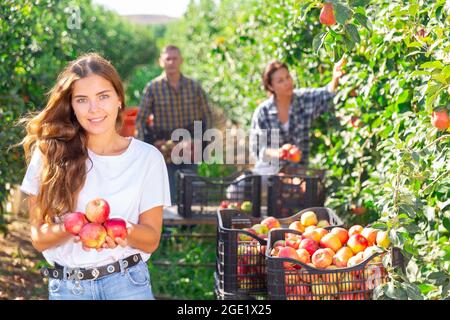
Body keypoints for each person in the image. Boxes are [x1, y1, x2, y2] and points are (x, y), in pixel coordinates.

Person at [19, 53, 171, 300]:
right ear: (71, 106)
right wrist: (72, 227)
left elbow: (151, 239)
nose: (94, 109)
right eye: (82, 100)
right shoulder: (50, 154)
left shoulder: (147, 158)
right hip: (69, 288)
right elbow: (38, 238)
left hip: (127, 285)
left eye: (103, 96)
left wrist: (123, 230)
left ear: (119, 99)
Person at [249, 59, 345, 199]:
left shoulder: (303, 100)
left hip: (298, 171)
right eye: (280, 81)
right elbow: (258, 149)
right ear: (271, 86)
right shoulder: (263, 112)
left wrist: (335, 78)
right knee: (237, 190)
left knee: (313, 190)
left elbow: (326, 95)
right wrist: (279, 152)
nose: (287, 83)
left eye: (288, 77)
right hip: (271, 171)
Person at [135, 45, 213, 204]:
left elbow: (207, 116)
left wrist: (201, 142)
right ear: (161, 62)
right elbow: (140, 120)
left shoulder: (193, 86)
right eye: (167, 59)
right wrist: (150, 145)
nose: (171, 62)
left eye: (175, 58)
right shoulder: (153, 88)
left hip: (189, 143)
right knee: (168, 187)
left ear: (181, 61)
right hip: (165, 145)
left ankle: (190, 225)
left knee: (191, 186)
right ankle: (170, 225)